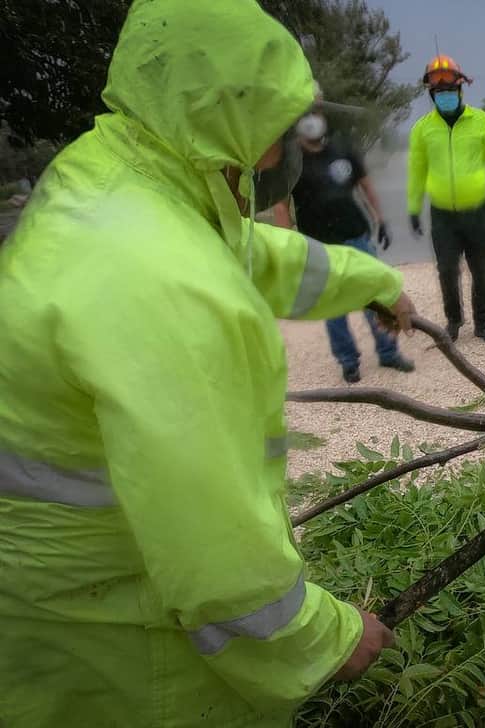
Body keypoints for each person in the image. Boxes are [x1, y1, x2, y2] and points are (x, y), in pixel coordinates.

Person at [0, 1, 408, 724]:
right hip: (124, 649)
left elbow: (260, 255)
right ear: (233, 124)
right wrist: (324, 636)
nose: (282, 149)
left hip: (60, 613)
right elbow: (212, 543)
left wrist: (375, 282)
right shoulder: (163, 283)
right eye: (275, 127)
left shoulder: (124, 177)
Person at [274, 94, 414, 383]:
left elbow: (365, 185)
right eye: (304, 115)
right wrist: (289, 247)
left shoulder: (342, 148)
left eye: (315, 112)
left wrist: (381, 219)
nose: (311, 120)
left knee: (374, 295)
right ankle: (348, 361)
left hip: (356, 234)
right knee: (332, 306)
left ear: (323, 116)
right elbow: (280, 205)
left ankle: (388, 352)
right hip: (319, 245)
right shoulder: (290, 161)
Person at [408, 54, 485, 345]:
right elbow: (417, 171)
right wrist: (412, 208)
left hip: (477, 212)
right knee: (446, 270)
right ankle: (453, 322)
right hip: (442, 214)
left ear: (460, 89)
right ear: (432, 95)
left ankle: (483, 323)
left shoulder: (481, 121)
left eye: (449, 91)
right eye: (439, 92)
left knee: (481, 270)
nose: (444, 96)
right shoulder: (423, 129)